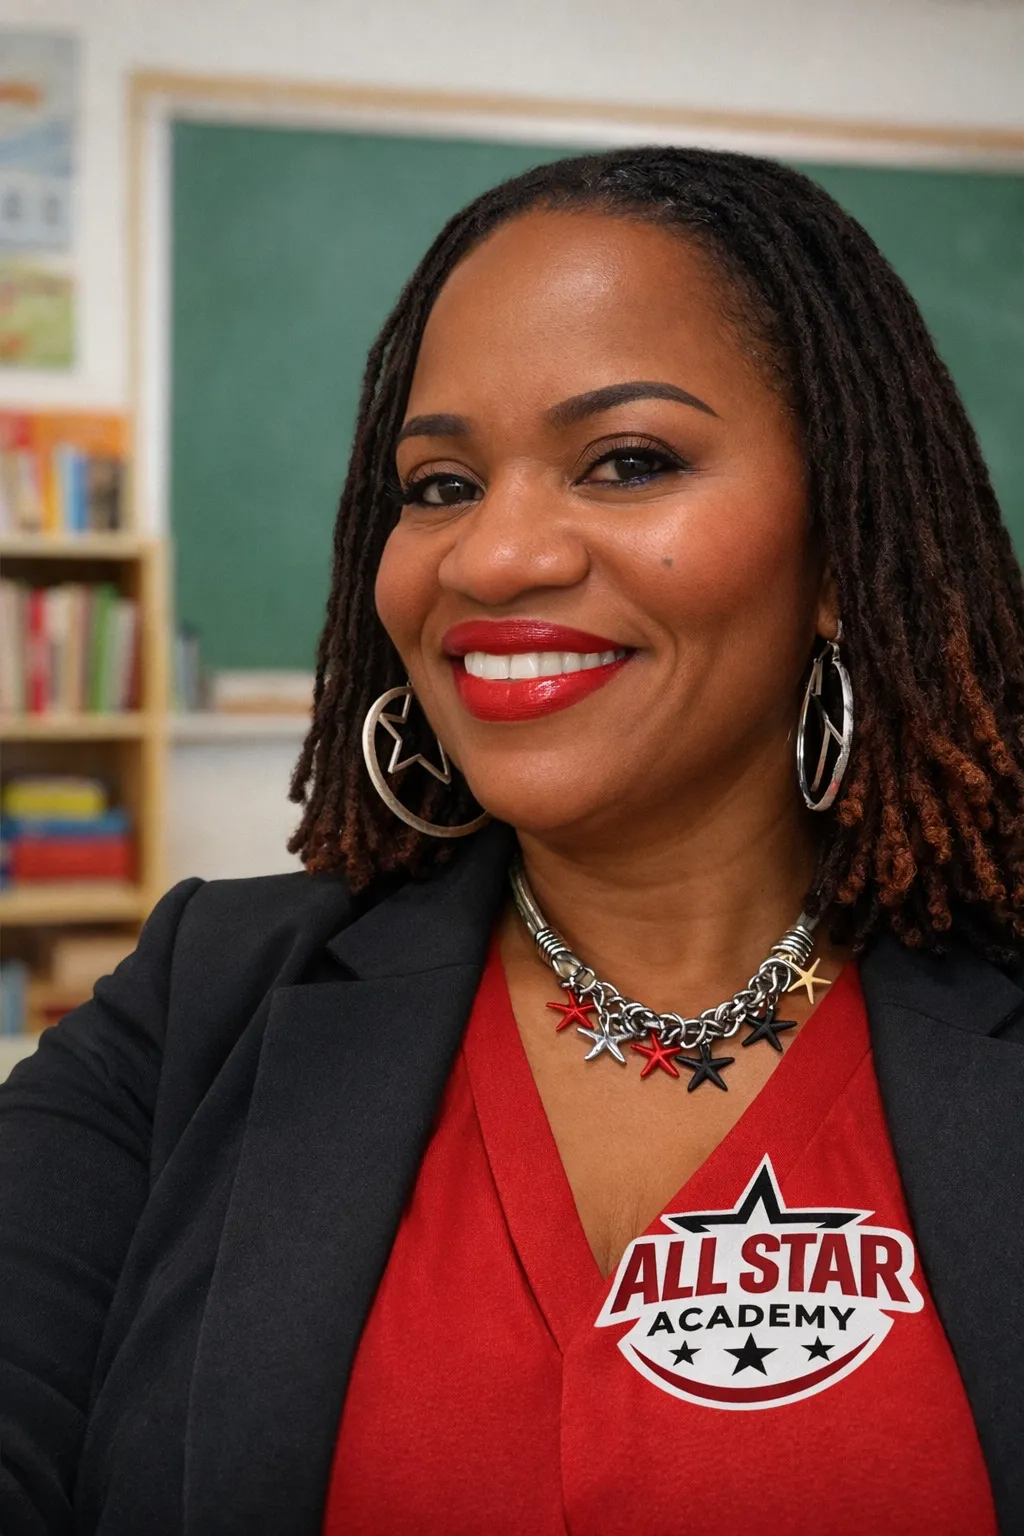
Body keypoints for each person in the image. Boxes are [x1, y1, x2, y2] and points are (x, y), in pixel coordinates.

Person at [1, 146, 1022, 1536]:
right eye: (439, 485)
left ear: (845, 544)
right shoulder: (203, 1001)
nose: (490, 558)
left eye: (629, 462)